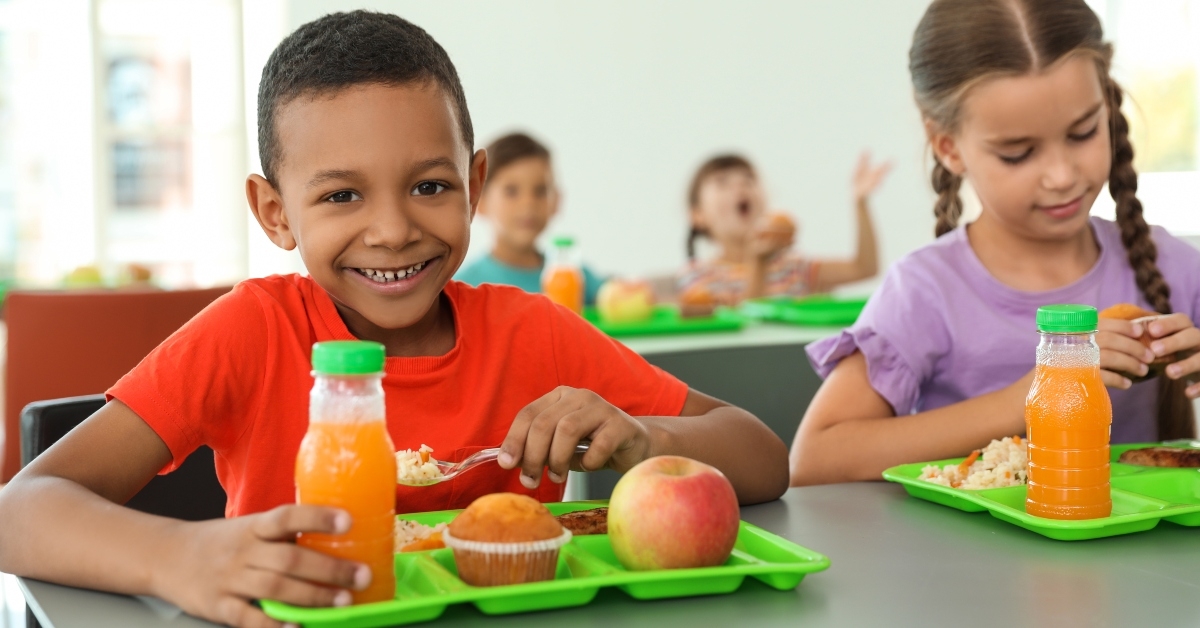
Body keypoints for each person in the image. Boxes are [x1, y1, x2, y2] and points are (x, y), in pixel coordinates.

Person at [0, 11, 789, 627]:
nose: (393, 230)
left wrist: (645, 436)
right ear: (275, 213)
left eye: (430, 187)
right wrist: (179, 558)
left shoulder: (532, 333)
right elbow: (21, 512)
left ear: (474, 185)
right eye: (342, 196)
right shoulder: (253, 331)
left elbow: (761, 456)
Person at [790, 0, 1200, 486]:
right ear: (948, 145)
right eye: (1018, 153)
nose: (1062, 176)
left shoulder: (1170, 264)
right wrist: (1030, 397)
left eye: (1084, 132)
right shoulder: (925, 290)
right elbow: (814, 459)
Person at [675, 152, 890, 304]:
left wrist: (860, 203)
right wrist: (757, 263)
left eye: (748, 179)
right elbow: (744, 334)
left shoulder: (793, 269)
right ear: (697, 215)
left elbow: (864, 268)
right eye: (722, 182)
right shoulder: (697, 276)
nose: (740, 186)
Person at [454, 132, 604, 303]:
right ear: (478, 200)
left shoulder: (576, 278)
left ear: (556, 200)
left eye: (540, 191)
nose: (528, 204)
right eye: (512, 191)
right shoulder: (463, 287)